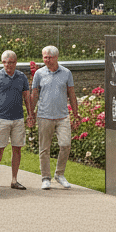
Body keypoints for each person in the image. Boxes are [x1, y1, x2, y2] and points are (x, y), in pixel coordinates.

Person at [30, 45, 78, 190]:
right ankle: (46, 177)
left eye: (49, 57)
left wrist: (76, 115)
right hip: (44, 115)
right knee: (44, 149)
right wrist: (30, 114)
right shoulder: (39, 74)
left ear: (56, 57)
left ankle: (59, 174)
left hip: (62, 116)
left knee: (65, 145)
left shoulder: (66, 73)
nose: (47, 60)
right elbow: (34, 95)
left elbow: (72, 94)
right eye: (45, 57)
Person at [0, 50, 33, 189]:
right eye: (5, 62)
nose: (8, 65)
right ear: (2, 63)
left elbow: (27, 97)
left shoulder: (22, 77)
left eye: (11, 62)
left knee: (17, 149)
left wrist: (30, 115)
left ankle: (14, 179)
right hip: (1, 118)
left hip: (18, 118)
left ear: (15, 62)